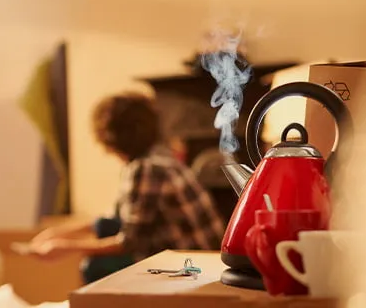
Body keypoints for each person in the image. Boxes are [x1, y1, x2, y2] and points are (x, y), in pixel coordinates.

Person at [30, 92, 226, 283]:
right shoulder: (157, 156)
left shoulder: (147, 168)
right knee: (107, 225)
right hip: (197, 256)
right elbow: (115, 217)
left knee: (95, 267)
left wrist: (66, 248)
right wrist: (58, 233)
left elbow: (130, 242)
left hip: (193, 267)